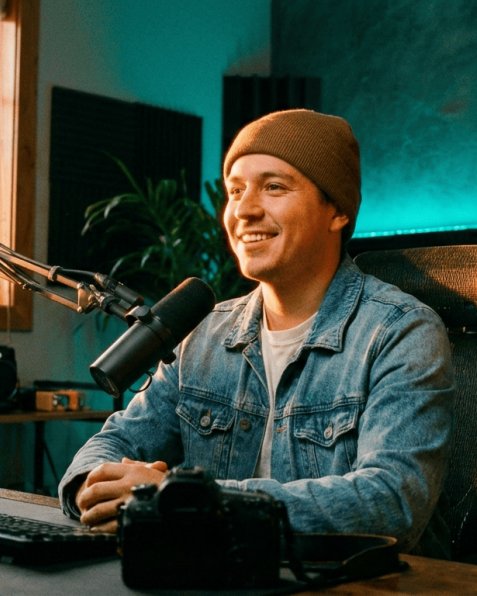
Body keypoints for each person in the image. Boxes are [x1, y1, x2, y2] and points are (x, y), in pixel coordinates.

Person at [59, 109, 455, 556]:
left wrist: (182, 499)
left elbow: (390, 503)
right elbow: (114, 443)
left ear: (338, 210)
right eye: (235, 191)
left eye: (273, 187)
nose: (243, 210)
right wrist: (91, 491)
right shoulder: (204, 333)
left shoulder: (401, 333)